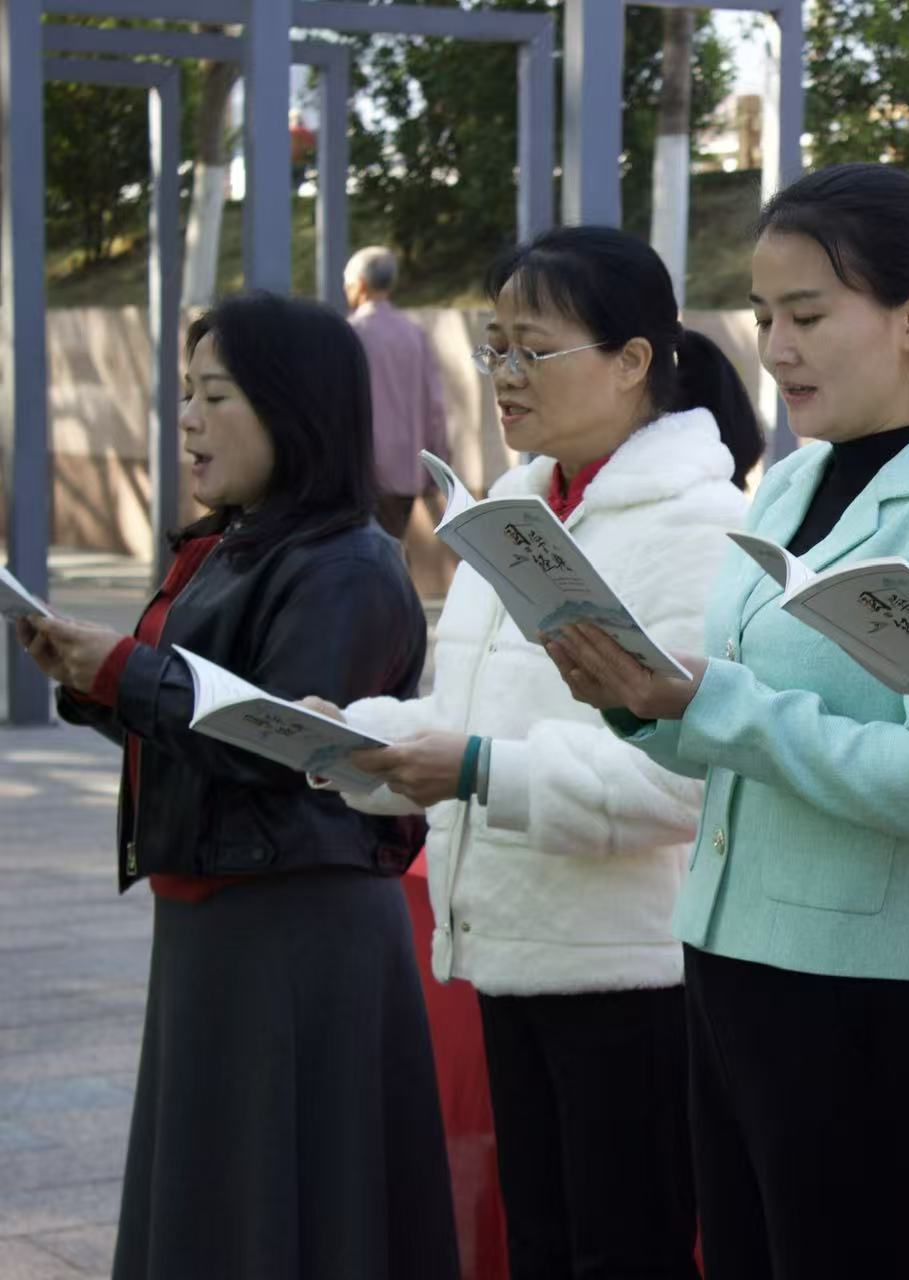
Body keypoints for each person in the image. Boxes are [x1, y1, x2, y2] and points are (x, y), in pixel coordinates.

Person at [542, 163, 909, 1280]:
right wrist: (643, 703)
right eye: (764, 316)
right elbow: (740, 722)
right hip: (726, 967)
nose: (777, 349)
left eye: (810, 316)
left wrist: (713, 704)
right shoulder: (788, 484)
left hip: (867, 1008)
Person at [309, 226, 759, 1280]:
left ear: (634, 360)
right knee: (544, 1244)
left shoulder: (700, 529)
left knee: (625, 1250)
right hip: (517, 949)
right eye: (495, 345)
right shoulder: (511, 511)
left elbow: (682, 778)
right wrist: (346, 734)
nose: (505, 375)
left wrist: (476, 772)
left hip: (633, 973)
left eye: (534, 349)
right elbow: (464, 708)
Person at [13, 291, 458, 1280]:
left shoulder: (349, 565)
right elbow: (200, 725)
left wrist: (126, 673)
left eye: (216, 396)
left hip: (297, 922)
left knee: (289, 1196)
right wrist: (97, 681)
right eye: (186, 394)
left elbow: (278, 745)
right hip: (217, 910)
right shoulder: (230, 545)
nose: (188, 420)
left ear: (292, 409)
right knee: (213, 1189)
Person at [346, 245, 450, 541]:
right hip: (407, 468)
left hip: (360, 469)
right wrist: (437, 464)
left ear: (360, 285)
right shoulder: (413, 333)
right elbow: (434, 405)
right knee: (391, 545)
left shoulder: (351, 332)